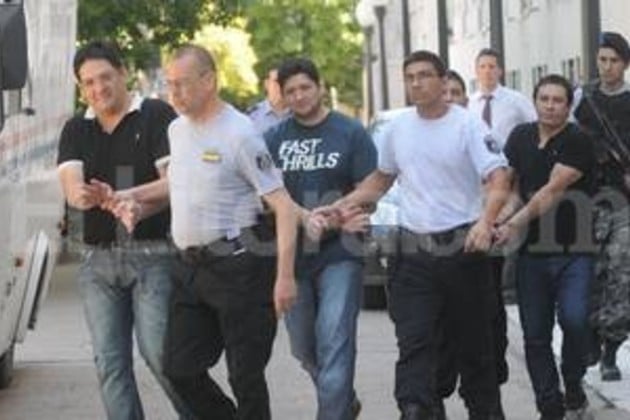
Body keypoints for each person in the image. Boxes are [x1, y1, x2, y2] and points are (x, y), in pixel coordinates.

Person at [108, 44, 302, 420]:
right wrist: (128, 196)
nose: (173, 93)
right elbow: (177, 184)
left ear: (209, 80)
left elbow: (283, 205)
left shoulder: (240, 134)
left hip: (239, 268)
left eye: (181, 84)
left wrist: (285, 278)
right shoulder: (177, 130)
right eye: (169, 84)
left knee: (245, 377)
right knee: (178, 369)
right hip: (190, 270)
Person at [319, 50, 510, 420]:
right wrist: (343, 205)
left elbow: (499, 179)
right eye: (409, 77)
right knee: (415, 344)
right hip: (412, 254)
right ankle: (417, 409)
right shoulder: (399, 128)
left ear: (443, 81)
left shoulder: (467, 125)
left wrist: (485, 222)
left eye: (424, 75)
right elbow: (381, 179)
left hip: (462, 250)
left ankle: (484, 410)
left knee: (475, 349)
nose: (416, 83)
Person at [56, 41, 191, 419]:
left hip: (154, 254)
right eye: (88, 83)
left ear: (123, 73)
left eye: (105, 78)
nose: (98, 89)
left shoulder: (157, 115)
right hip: (97, 261)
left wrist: (126, 196)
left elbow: (175, 182)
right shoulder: (76, 128)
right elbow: (73, 189)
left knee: (162, 357)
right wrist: (90, 196)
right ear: (80, 87)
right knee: (110, 364)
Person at [264, 57, 376, 420]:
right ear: (282, 96)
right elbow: (266, 196)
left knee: (335, 339)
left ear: (320, 87)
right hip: (293, 253)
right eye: (290, 91)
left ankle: (333, 411)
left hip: (341, 252)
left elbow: (369, 190)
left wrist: (340, 216)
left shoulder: (349, 131)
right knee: (303, 348)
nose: (299, 96)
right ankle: (343, 399)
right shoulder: (273, 139)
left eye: (305, 87)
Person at [495, 74, 596, 420]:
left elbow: (551, 191)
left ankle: (573, 382)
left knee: (575, 320)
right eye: (544, 99)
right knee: (535, 335)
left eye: (558, 101)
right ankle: (550, 406)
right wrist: (499, 216)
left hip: (575, 251)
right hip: (531, 254)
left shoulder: (578, 140)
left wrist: (513, 223)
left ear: (568, 107)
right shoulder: (520, 136)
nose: (550, 106)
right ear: (535, 101)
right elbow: (510, 186)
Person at [573, 31, 630, 382]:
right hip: (587, 198)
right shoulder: (584, 99)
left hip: (623, 202)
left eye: (614, 61)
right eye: (602, 60)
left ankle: (611, 348)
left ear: (625, 64)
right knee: (589, 271)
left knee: (622, 273)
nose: (607, 67)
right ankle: (591, 334)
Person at [248, 64, 291, 134]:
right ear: (267, 84)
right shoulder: (252, 117)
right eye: (276, 81)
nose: (280, 86)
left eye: (284, 81)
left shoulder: (300, 112)